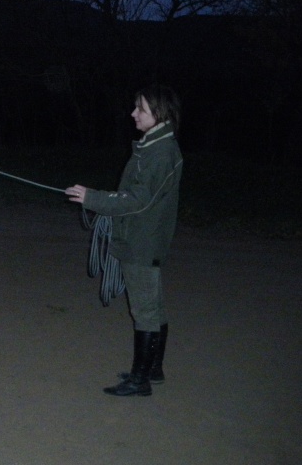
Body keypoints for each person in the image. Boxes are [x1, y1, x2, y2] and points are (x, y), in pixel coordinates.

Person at [66, 84, 183, 397]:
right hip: (144, 239)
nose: (134, 114)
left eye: (141, 109)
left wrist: (94, 198)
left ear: (158, 114)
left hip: (142, 242)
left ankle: (139, 380)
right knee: (153, 307)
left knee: (144, 310)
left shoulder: (160, 153)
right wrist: (96, 198)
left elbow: (138, 200)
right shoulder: (154, 146)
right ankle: (152, 369)